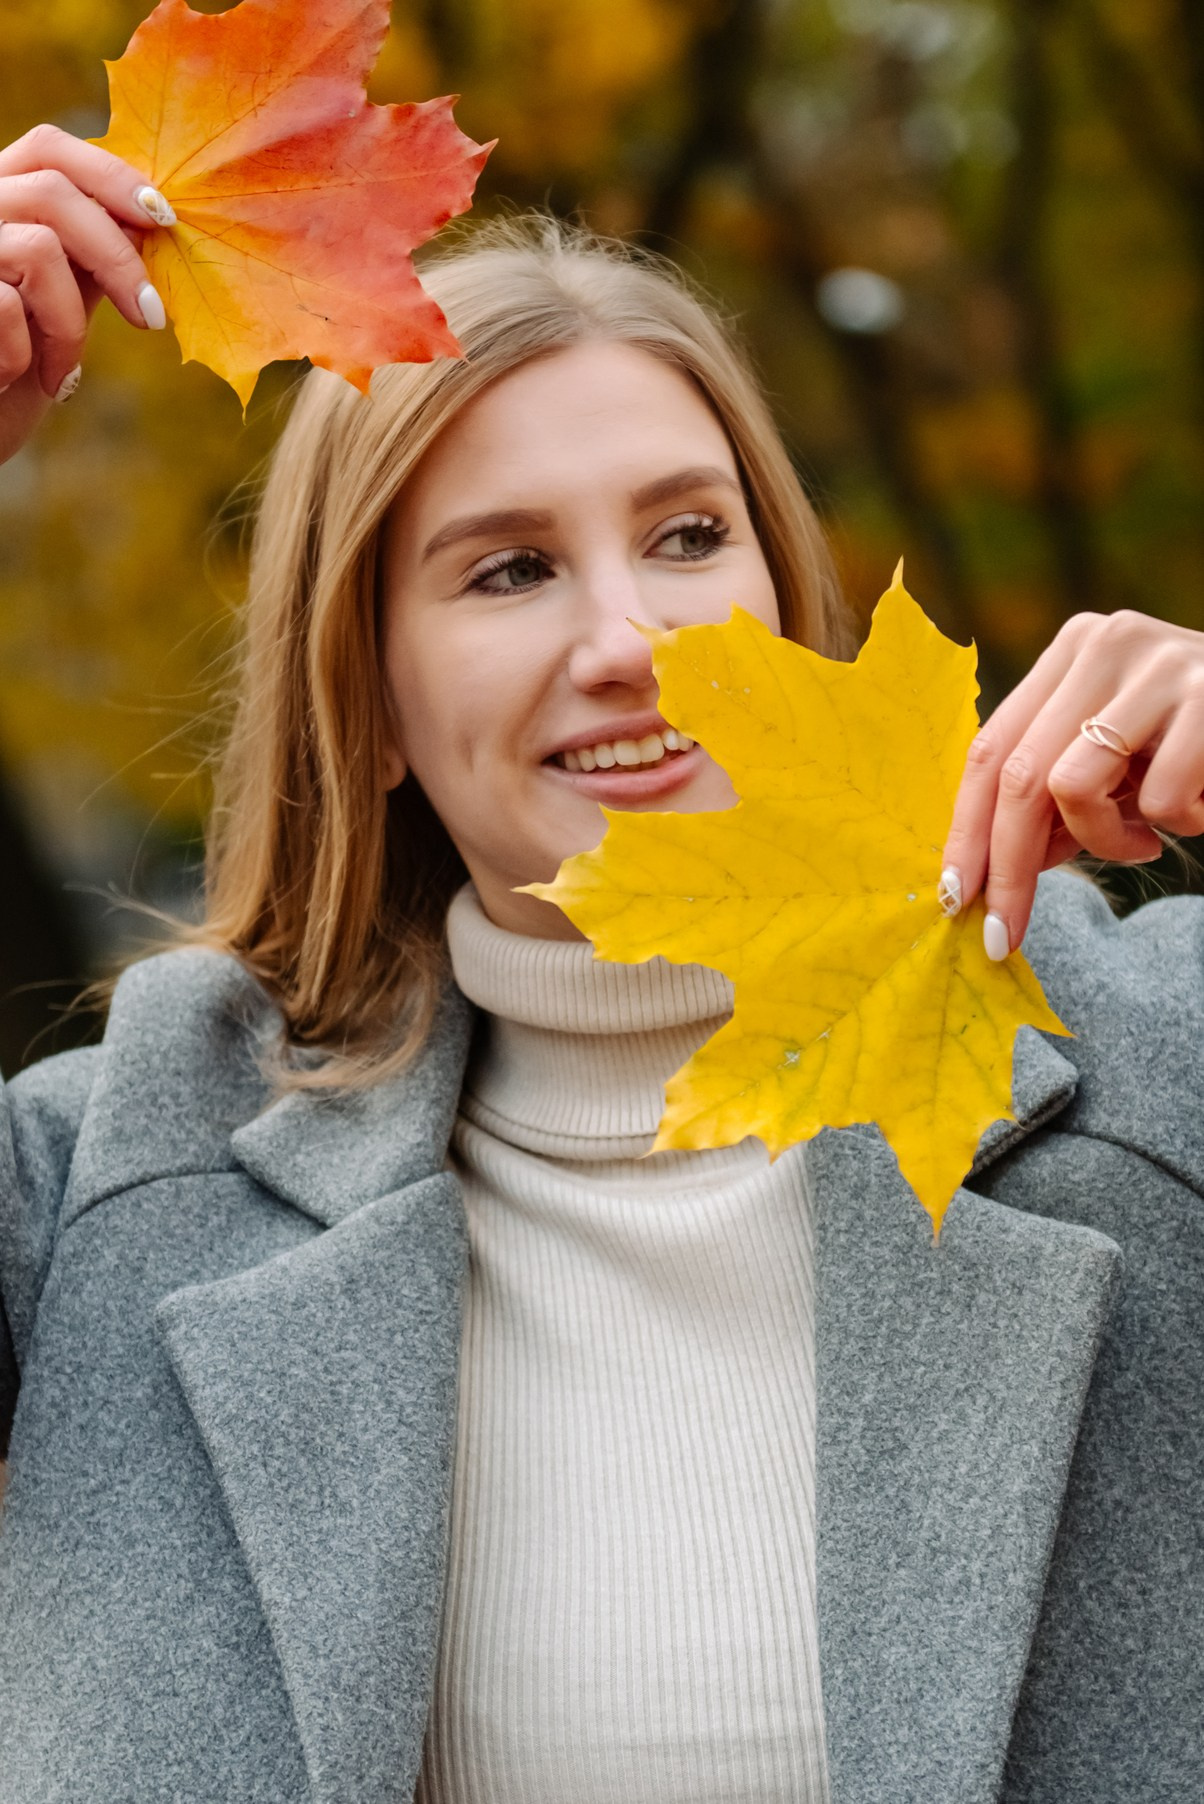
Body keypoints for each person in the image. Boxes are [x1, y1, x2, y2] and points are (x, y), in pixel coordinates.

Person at [0, 125, 1201, 1804]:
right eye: (509, 570)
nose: (630, 642)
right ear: (369, 704)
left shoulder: (1158, 1068)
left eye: (690, 537)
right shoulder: (111, 1181)